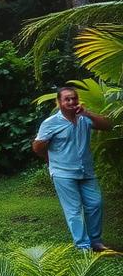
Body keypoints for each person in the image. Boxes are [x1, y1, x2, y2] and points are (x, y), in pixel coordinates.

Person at [32, 87, 113, 251]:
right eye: (67, 99)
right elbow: (37, 146)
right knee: (74, 210)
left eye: (74, 98)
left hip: (86, 171)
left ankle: (96, 242)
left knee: (95, 203)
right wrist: (49, 159)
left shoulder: (84, 118)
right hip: (63, 173)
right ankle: (83, 246)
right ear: (59, 102)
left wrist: (87, 113)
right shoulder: (51, 123)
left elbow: (107, 125)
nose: (71, 102)